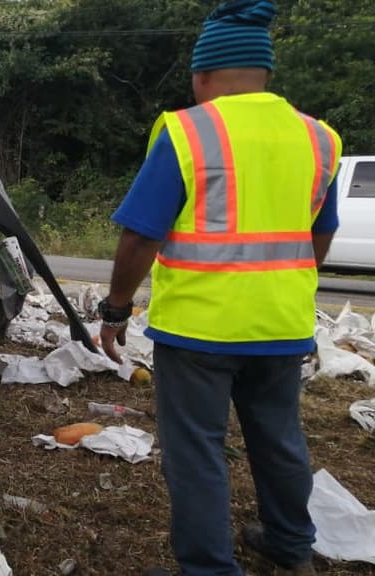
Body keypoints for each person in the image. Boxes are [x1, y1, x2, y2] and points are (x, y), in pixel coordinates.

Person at [97, 1, 341, 575]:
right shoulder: (319, 138)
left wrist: (115, 308)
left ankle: (208, 569)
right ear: (264, 73)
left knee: (198, 451)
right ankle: (289, 547)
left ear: (203, 74)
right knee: (280, 442)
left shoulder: (187, 130)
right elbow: (319, 235)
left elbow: (140, 238)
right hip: (282, 325)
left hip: (197, 331)